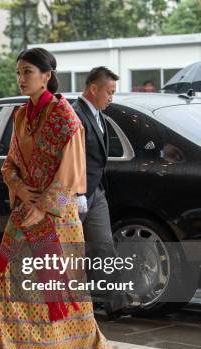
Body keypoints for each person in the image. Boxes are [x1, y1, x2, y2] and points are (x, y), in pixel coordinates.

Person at [0, 49, 111, 349]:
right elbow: (9, 165)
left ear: (47, 75)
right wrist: (20, 190)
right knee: (9, 290)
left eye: (28, 71)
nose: (21, 78)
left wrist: (42, 206)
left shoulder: (66, 118)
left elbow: (72, 175)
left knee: (59, 294)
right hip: (23, 214)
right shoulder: (21, 115)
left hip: (56, 221)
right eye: (18, 72)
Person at [72, 67, 133, 319]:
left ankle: (117, 301)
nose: (111, 98)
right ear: (93, 88)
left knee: (104, 246)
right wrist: (76, 193)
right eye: (109, 92)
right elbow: (71, 159)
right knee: (71, 251)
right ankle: (71, 306)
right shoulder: (75, 114)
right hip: (75, 194)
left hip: (96, 192)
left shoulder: (99, 116)